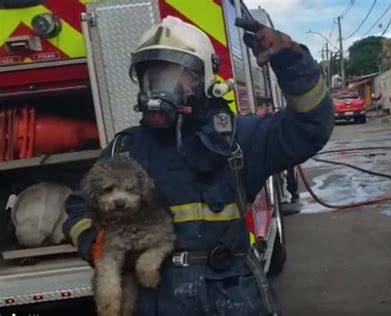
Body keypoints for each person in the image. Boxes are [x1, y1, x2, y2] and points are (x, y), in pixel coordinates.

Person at [63, 16, 334, 315]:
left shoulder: (236, 138)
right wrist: (94, 244)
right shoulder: (125, 148)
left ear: (202, 80)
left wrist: (292, 62)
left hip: (228, 298)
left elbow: (310, 127)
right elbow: (78, 207)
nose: (160, 87)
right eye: (152, 76)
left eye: (174, 75)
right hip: (153, 299)